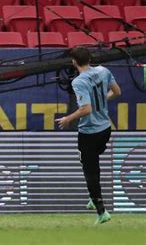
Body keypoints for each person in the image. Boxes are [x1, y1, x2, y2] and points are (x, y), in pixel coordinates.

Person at [55, 47, 121, 224]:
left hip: (89, 132)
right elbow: (117, 92)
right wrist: (100, 100)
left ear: (74, 62)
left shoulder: (78, 82)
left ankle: (101, 212)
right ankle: (94, 198)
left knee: (89, 171)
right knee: (91, 162)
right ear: (90, 59)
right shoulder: (103, 71)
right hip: (106, 128)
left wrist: (68, 118)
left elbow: (86, 109)